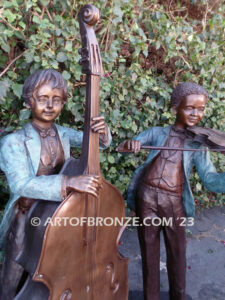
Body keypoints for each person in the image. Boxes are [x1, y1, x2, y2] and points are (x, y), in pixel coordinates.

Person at [0, 69, 111, 299]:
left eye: (57, 100)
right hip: (27, 215)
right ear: (30, 100)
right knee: (16, 267)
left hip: (59, 216)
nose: (50, 106)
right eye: (42, 99)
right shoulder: (13, 142)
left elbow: (94, 143)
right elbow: (21, 185)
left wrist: (102, 133)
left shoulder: (62, 133)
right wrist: (69, 181)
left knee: (56, 267)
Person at [125, 82, 225, 300]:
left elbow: (210, 181)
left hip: (173, 202)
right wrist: (132, 144)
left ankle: (177, 297)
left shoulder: (198, 144)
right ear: (175, 108)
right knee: (149, 253)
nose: (195, 114)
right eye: (190, 108)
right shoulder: (157, 133)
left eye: (200, 109)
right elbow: (130, 144)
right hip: (147, 197)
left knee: (177, 254)